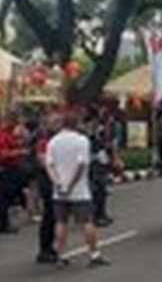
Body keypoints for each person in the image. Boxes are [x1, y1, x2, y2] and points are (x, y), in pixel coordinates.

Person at [46, 108, 109, 268]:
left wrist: (58, 183)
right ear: (76, 124)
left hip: (59, 191)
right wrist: (70, 185)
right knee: (87, 222)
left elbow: (49, 165)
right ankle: (94, 254)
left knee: (61, 222)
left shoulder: (53, 142)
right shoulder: (82, 141)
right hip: (79, 190)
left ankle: (60, 255)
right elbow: (81, 165)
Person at [0, 110, 29, 233]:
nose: (15, 125)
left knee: (7, 196)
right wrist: (20, 152)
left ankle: (5, 222)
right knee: (4, 197)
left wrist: (19, 143)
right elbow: (3, 154)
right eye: (14, 122)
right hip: (6, 168)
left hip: (11, 168)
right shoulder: (2, 135)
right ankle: (3, 224)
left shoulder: (8, 134)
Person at [33, 112, 60, 264]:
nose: (58, 125)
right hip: (47, 180)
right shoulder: (43, 141)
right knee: (49, 215)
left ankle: (50, 247)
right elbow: (42, 161)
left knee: (55, 216)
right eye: (55, 122)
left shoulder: (56, 140)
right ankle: (44, 249)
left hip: (56, 179)